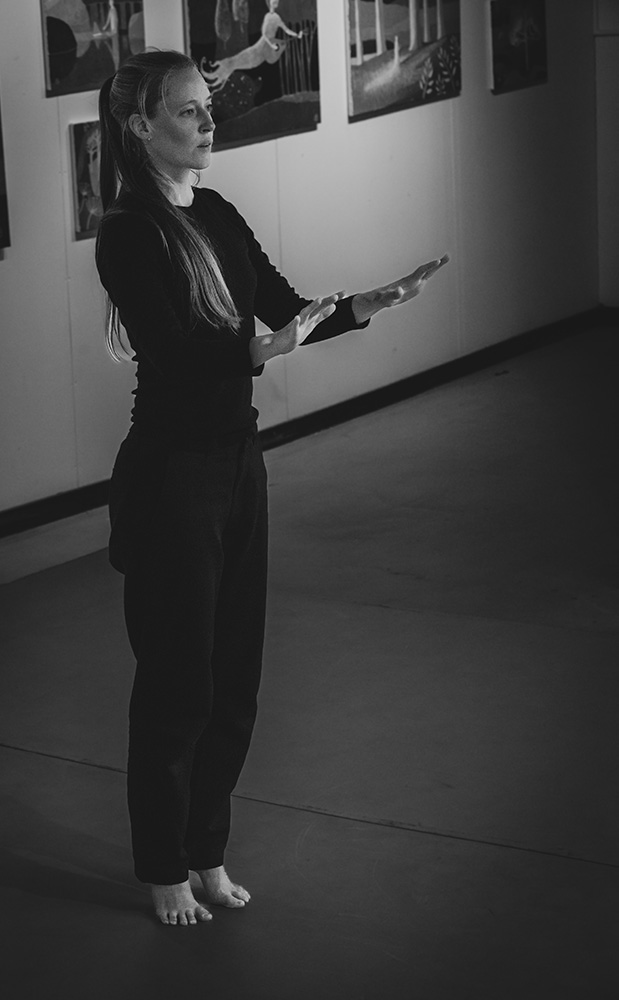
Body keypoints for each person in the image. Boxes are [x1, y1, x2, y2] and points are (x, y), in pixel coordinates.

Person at [95, 49, 448, 928]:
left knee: (234, 679)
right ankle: (162, 866)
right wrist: (258, 350)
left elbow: (285, 308)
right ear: (141, 127)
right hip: (171, 476)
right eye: (187, 110)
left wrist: (367, 303)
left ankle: (205, 851)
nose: (207, 121)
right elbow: (175, 351)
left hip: (236, 466)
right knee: (177, 681)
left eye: (205, 105)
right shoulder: (128, 233)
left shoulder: (215, 211)